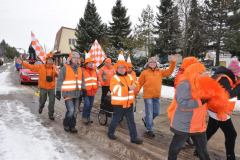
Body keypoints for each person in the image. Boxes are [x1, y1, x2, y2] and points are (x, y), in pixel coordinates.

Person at [194, 62, 240, 160]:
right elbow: (229, 94)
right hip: (219, 111)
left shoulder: (224, 76)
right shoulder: (224, 78)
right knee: (231, 134)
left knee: (210, 131)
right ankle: (230, 157)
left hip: (215, 109)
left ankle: (198, 150)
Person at [168, 63, 211, 160]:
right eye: (200, 73)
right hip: (185, 124)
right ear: (194, 73)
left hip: (199, 124)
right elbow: (183, 104)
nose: (203, 75)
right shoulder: (184, 85)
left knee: (202, 148)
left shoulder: (201, 84)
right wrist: (202, 101)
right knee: (176, 147)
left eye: (203, 73)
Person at [138, 54, 178, 137]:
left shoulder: (160, 72)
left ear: (156, 64)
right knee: (149, 114)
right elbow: (139, 84)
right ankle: (149, 129)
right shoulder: (144, 73)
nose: (152, 64)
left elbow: (170, 71)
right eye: (151, 62)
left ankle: (146, 120)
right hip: (148, 96)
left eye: (154, 62)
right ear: (148, 64)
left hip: (157, 96)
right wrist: (134, 94)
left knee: (156, 112)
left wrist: (173, 62)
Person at [107, 51, 143, 144]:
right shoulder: (115, 78)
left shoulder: (130, 77)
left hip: (129, 104)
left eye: (123, 67)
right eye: (119, 67)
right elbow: (116, 90)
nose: (121, 69)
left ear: (126, 68)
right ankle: (110, 132)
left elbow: (137, 84)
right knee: (116, 120)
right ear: (117, 68)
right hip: (119, 105)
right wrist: (129, 88)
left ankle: (134, 138)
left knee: (131, 122)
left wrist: (136, 86)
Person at [15, 53, 59, 120]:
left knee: (52, 102)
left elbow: (58, 76)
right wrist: (22, 63)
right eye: (49, 59)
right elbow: (31, 67)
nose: (50, 60)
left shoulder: (55, 67)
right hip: (43, 87)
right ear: (46, 60)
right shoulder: (41, 66)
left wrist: (57, 73)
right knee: (43, 101)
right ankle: (41, 107)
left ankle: (51, 114)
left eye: (52, 59)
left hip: (51, 87)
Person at [170, 57, 199, 147]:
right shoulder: (182, 73)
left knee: (189, 120)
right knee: (181, 120)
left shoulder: (195, 74)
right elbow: (177, 85)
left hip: (191, 99)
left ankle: (187, 138)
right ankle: (179, 141)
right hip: (181, 98)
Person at [56, 52, 86, 133]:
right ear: (70, 59)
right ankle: (66, 123)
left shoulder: (80, 69)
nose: (76, 59)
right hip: (67, 93)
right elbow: (59, 81)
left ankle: (72, 126)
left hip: (77, 94)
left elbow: (82, 80)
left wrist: (84, 89)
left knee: (75, 112)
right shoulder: (64, 69)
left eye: (77, 58)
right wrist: (58, 91)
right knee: (71, 111)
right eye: (74, 58)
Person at [82, 52, 99, 125]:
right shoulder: (82, 70)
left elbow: (97, 80)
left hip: (93, 91)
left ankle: (88, 117)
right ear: (86, 64)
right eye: (90, 63)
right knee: (87, 104)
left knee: (91, 105)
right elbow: (80, 81)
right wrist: (82, 89)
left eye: (92, 63)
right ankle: (84, 117)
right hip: (85, 91)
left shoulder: (94, 70)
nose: (91, 64)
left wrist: (96, 88)